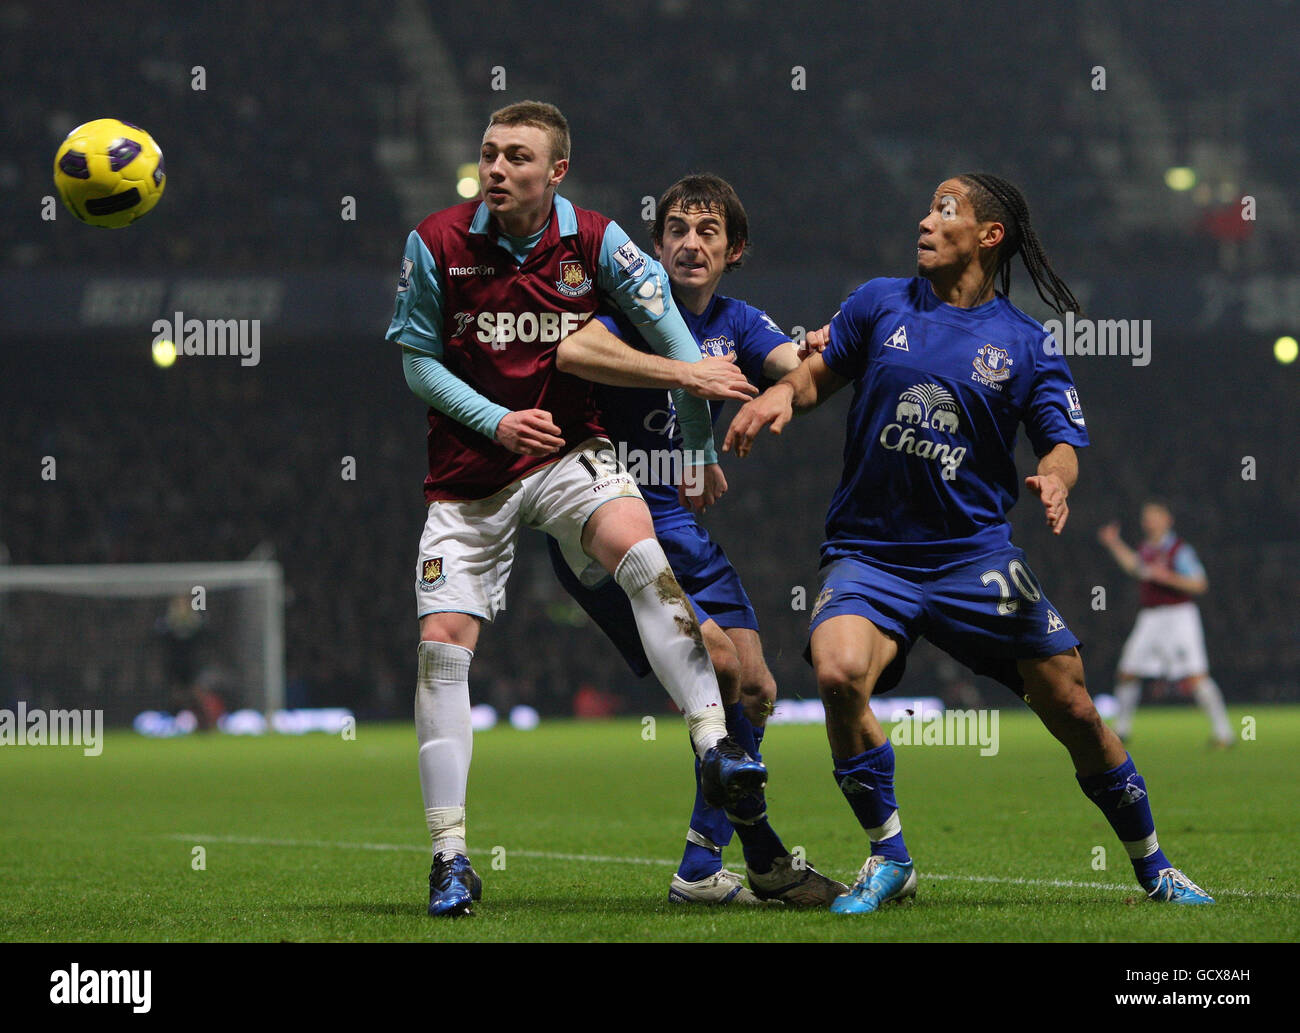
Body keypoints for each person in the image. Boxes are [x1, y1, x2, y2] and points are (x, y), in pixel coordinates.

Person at [725, 173, 1214, 910]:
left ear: (989, 235)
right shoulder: (879, 302)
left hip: (976, 559)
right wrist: (780, 393)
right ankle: (890, 854)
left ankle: (1155, 865)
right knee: (836, 673)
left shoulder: (1025, 342)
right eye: (926, 206)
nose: (925, 220)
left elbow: (1062, 443)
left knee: (1077, 708)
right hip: (872, 553)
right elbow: (817, 375)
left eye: (944, 210)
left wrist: (1055, 478)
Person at [386, 101, 766, 917]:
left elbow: (679, 347)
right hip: (469, 474)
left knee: (641, 552)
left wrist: (698, 449)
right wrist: (495, 418)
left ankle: (715, 744)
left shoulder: (596, 241)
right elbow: (418, 362)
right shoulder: (436, 243)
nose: (496, 168)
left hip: (569, 453)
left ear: (555, 172)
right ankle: (449, 859)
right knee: (441, 648)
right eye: (489, 153)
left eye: (517, 157)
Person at [548, 174, 846, 906]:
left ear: (733, 249)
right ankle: (733, 865)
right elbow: (572, 353)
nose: (689, 242)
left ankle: (719, 863)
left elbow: (797, 371)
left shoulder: (740, 322)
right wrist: (685, 373)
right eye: (676, 228)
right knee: (718, 666)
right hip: (610, 521)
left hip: (682, 526)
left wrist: (826, 349)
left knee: (759, 689)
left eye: (708, 231)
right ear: (654, 247)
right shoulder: (623, 310)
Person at [1098, 501, 1233, 747]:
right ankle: (1122, 730)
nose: (1148, 522)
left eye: (1154, 517)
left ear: (1167, 519)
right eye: (1146, 518)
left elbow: (1199, 584)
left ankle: (1224, 733)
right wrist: (1114, 543)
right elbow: (1136, 568)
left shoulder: (1179, 550)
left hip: (1179, 615)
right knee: (1127, 672)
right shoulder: (1147, 549)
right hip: (1151, 617)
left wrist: (1168, 577)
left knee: (1195, 677)